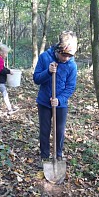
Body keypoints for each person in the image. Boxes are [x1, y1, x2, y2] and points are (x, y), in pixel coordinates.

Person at [33, 30, 78, 162]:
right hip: (44, 102)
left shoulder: (72, 65)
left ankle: (58, 155)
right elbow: (36, 79)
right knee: (45, 131)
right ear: (58, 50)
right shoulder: (44, 57)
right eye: (64, 55)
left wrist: (59, 100)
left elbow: (70, 87)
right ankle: (45, 157)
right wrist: (48, 71)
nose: (66, 58)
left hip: (60, 104)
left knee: (59, 132)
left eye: (69, 56)